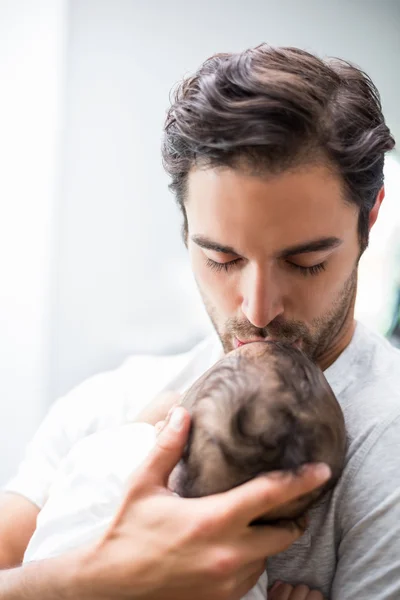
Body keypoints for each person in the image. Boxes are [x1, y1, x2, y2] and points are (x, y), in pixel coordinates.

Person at [0, 43, 398, 599]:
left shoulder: (390, 448)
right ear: (185, 224)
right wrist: (93, 582)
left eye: (304, 263)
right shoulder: (106, 410)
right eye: (222, 259)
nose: (257, 311)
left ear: (371, 216)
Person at [21, 341, 345, 600]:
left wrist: (145, 429)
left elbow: (59, 497)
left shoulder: (109, 451)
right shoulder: (237, 574)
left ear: (172, 427)